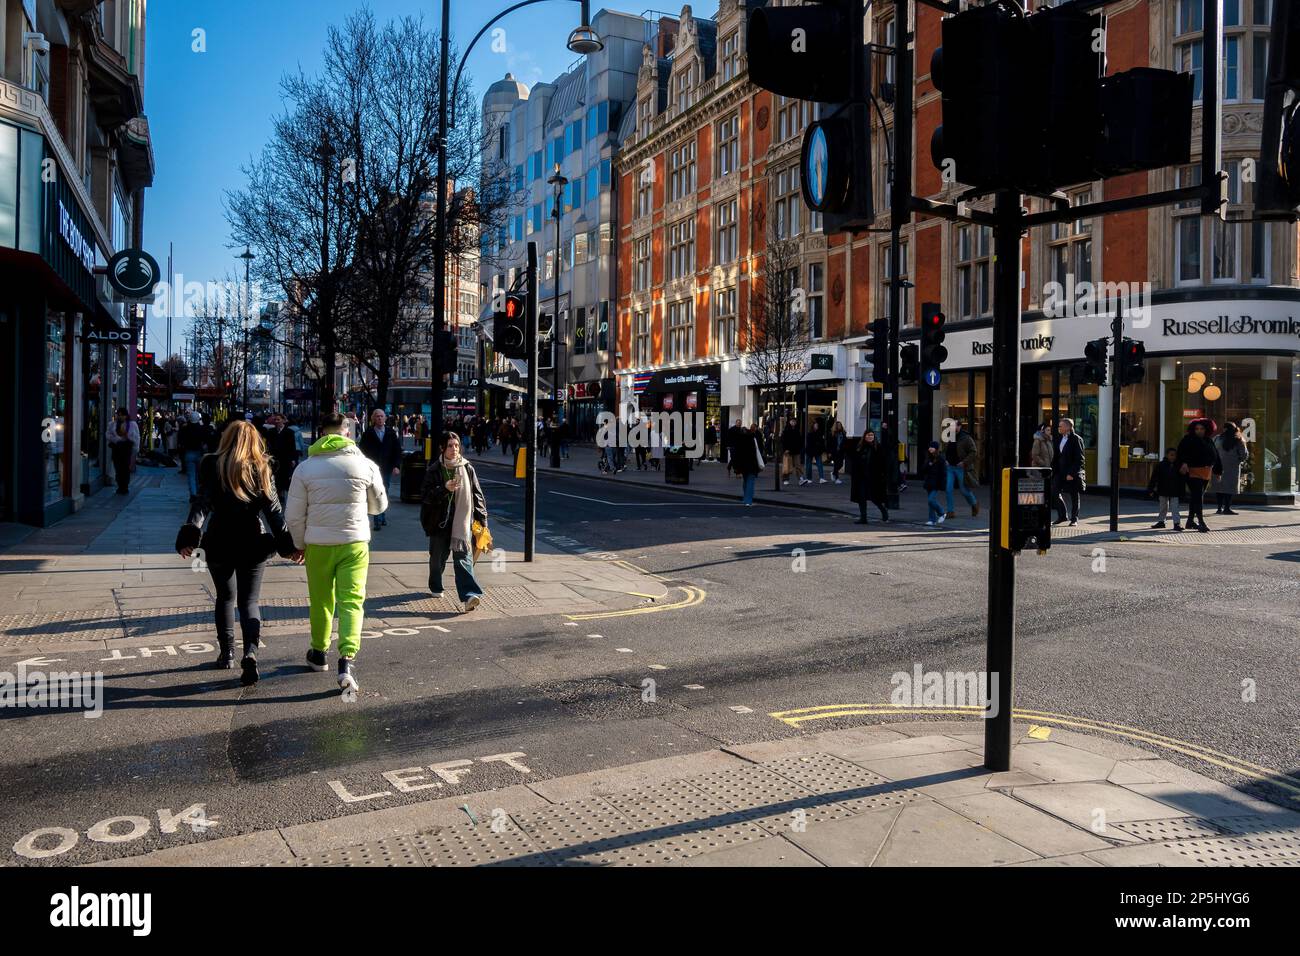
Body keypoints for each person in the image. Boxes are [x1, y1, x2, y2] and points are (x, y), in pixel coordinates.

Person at [176, 421, 302, 684]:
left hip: (219, 541)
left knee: (224, 597)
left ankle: (227, 653)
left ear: (226, 438)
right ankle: (251, 653)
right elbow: (274, 512)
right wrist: (288, 547)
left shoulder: (213, 464)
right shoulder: (262, 467)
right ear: (255, 440)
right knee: (249, 602)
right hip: (252, 543)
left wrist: (190, 536)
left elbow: (202, 504)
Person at [285, 412, 388, 694]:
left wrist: (299, 545)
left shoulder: (305, 469)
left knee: (321, 600)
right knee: (352, 600)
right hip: (354, 542)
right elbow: (379, 506)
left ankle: (318, 653)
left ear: (321, 433)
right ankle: (347, 660)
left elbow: (293, 515)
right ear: (347, 433)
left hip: (317, 543)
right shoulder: (366, 465)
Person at [420, 432, 486, 610]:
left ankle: (469, 596)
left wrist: (483, 522)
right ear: (442, 448)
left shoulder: (467, 467)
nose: (454, 449)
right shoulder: (434, 469)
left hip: (461, 523)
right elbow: (425, 496)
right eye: (450, 445)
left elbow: (477, 495)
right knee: (437, 560)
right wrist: (444, 489)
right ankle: (435, 585)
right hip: (440, 523)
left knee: (463, 559)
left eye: (456, 445)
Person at [359, 408, 404, 530]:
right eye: (377, 416)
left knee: (384, 491)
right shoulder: (368, 433)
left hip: (386, 467)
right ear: (373, 418)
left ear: (385, 418)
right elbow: (361, 451)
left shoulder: (391, 433)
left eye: (381, 416)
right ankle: (378, 520)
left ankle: (382, 515)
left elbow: (397, 450)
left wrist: (396, 466)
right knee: (375, 492)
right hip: (372, 468)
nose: (379, 418)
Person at [1176, 418, 1218, 534]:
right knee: (1198, 496)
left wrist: (1218, 471)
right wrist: (1184, 463)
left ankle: (1190, 521)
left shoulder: (1209, 440)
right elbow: (1181, 452)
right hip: (1193, 471)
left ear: (1207, 429)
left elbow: (1216, 455)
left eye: (1202, 429)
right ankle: (1201, 521)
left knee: (1196, 497)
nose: (1199, 431)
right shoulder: (1188, 439)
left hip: (1206, 471)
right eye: (1197, 429)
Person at [849, 430, 889, 524]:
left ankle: (884, 511)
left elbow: (882, 462)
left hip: (874, 477)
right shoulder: (860, 447)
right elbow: (855, 460)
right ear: (865, 436)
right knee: (861, 497)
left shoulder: (878, 447)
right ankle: (863, 517)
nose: (870, 437)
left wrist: (883, 475)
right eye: (868, 435)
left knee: (875, 497)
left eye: (872, 435)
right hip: (861, 477)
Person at [1052, 417, 1086, 526]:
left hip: (1071, 473)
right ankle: (1062, 516)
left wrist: (1072, 473)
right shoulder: (1059, 438)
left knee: (1074, 495)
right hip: (1059, 471)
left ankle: (1074, 519)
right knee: (1054, 492)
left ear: (1067, 427)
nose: (1058, 428)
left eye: (1061, 426)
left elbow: (1080, 459)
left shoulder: (1076, 439)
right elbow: (1057, 456)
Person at [944, 422, 979, 518]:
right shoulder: (949, 436)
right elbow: (945, 450)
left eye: (954, 426)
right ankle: (950, 512)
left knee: (964, 490)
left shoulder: (966, 438)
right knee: (948, 489)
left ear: (959, 426)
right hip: (950, 467)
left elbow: (974, 452)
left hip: (961, 467)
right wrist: (946, 459)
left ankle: (974, 504)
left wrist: (964, 462)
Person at [1213, 422, 1249, 515]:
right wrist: (1238, 460)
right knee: (1230, 487)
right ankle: (1227, 508)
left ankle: (1219, 507)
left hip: (1218, 466)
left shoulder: (1217, 438)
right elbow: (1244, 454)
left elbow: (1212, 451)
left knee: (1219, 487)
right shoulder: (1239, 440)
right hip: (1232, 467)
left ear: (1224, 429)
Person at [265, 412, 300, 506]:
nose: (276, 421)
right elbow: (268, 445)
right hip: (274, 458)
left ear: (283, 420)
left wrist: (293, 458)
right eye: (275, 420)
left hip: (285, 458)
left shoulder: (289, 432)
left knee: (284, 477)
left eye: (278, 419)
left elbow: (292, 446)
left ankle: (282, 494)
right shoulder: (271, 432)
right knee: (275, 477)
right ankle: (278, 495)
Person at [1147, 447, 1184, 531]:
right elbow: (1154, 478)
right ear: (1167, 455)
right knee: (1163, 506)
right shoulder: (1161, 465)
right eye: (1171, 455)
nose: (1173, 457)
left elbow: (1182, 479)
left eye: (1174, 455)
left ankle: (1177, 523)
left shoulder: (1178, 465)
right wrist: (1151, 489)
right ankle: (1161, 521)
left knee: (1175, 507)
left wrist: (1182, 490)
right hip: (1163, 489)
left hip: (1175, 490)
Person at [730, 422, 765, 506]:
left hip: (742, 464)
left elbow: (735, 455)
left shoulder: (738, 441)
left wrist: (735, 468)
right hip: (752, 463)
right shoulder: (752, 439)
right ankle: (748, 500)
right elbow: (757, 451)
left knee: (746, 481)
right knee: (750, 482)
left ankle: (745, 499)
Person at [107, 408, 139, 495]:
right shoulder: (112, 424)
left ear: (126, 415)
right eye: (119, 414)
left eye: (122, 415)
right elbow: (108, 435)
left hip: (126, 449)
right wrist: (117, 439)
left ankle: (124, 486)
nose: (120, 416)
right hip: (116, 448)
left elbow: (136, 437)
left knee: (125, 468)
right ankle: (120, 485)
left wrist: (135, 447)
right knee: (117, 467)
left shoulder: (132, 424)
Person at [178, 411, 208, 501]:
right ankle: (198, 492)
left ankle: (193, 494)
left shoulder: (185, 428)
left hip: (189, 453)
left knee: (191, 474)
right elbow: (205, 441)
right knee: (198, 475)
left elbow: (180, 441)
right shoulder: (201, 429)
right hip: (199, 453)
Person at [922, 441, 948, 527]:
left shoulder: (940, 459)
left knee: (931, 500)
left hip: (936, 483)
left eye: (932, 447)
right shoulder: (928, 457)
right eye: (929, 447)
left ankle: (942, 513)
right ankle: (932, 519)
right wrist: (928, 465)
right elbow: (923, 470)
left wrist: (942, 484)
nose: (930, 448)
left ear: (936, 449)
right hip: (929, 482)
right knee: (930, 502)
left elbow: (943, 473)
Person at [802, 419, 827, 485]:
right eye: (816, 425)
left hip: (816, 450)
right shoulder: (810, 434)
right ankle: (809, 478)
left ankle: (821, 478)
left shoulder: (819, 433)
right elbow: (810, 443)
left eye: (817, 425)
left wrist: (822, 449)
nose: (817, 426)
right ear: (813, 426)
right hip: (811, 450)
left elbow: (821, 442)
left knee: (819, 464)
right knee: (809, 465)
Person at [780, 417, 802, 486]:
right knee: (787, 466)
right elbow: (783, 441)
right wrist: (785, 449)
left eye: (794, 421)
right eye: (792, 421)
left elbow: (799, 440)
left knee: (798, 465)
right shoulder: (786, 430)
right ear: (789, 422)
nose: (793, 423)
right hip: (788, 451)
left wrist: (799, 448)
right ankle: (786, 479)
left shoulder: (797, 430)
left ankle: (800, 479)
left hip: (796, 450)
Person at [829, 421, 848, 485]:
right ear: (836, 426)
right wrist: (829, 452)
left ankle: (833, 473)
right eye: (838, 425)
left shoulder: (843, 433)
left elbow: (845, 442)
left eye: (840, 425)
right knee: (837, 464)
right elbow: (830, 443)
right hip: (835, 451)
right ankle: (837, 479)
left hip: (841, 451)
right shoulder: (833, 433)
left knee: (841, 464)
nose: (839, 426)